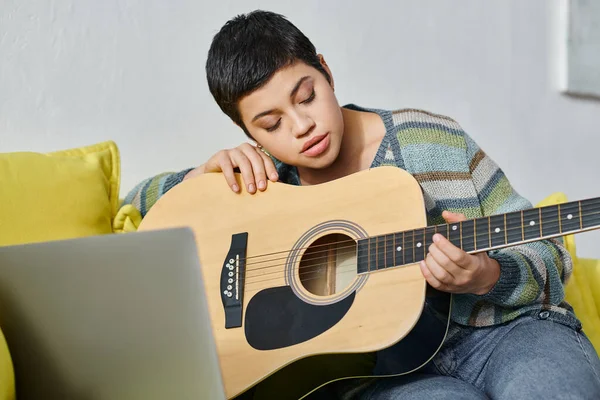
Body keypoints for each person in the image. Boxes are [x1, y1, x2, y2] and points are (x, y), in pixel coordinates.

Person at [123, 9, 600, 399]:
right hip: (392, 376)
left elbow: (552, 251)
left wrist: (486, 275)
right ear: (249, 133)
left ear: (326, 72)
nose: (300, 126)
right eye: (271, 124)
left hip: (511, 335)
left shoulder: (427, 137)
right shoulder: (262, 183)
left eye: (306, 96)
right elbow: (138, 206)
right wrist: (202, 175)